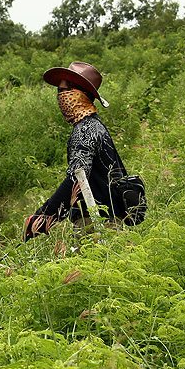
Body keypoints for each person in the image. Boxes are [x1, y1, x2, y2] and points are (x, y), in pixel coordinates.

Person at [24, 61, 131, 240]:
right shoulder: (92, 125)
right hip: (103, 219)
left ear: (81, 94)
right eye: (58, 91)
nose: (61, 97)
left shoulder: (86, 130)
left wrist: (44, 218)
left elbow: (77, 179)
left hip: (98, 223)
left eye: (65, 91)